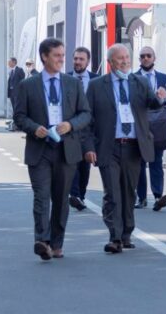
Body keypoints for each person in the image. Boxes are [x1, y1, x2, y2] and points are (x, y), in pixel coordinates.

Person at [13, 38, 93, 261]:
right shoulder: (28, 85)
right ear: (44, 57)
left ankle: (57, 243)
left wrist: (70, 125)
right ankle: (42, 240)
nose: (61, 59)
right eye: (56, 55)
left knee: (60, 198)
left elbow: (85, 113)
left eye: (62, 55)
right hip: (40, 149)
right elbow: (19, 116)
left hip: (66, 150)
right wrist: (33, 128)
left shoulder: (72, 84)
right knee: (41, 196)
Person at [87, 44, 166, 253]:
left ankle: (126, 233)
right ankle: (114, 236)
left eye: (126, 58)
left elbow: (153, 104)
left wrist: (160, 97)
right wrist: (88, 147)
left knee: (129, 192)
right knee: (112, 192)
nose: (124, 61)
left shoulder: (139, 82)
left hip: (133, 146)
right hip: (109, 146)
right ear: (110, 62)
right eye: (119, 58)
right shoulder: (97, 86)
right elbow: (88, 119)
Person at [135, 46, 166, 212]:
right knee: (140, 162)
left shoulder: (164, 78)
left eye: (148, 55)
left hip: (158, 124)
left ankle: (158, 196)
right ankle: (141, 197)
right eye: (142, 56)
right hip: (141, 123)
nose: (145, 58)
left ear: (154, 58)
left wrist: (164, 97)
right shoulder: (133, 78)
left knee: (157, 160)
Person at [66, 46, 99, 211]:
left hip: (89, 129)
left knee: (85, 165)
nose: (77, 62)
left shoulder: (96, 80)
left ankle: (81, 195)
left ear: (88, 61)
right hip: (70, 128)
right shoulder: (64, 78)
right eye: (75, 58)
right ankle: (75, 195)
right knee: (72, 162)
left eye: (81, 59)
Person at [6, 57, 25, 131]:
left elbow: (23, 80)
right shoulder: (11, 71)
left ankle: (18, 125)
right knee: (14, 109)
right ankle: (15, 124)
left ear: (14, 62)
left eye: (9, 62)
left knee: (17, 109)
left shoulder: (19, 70)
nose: (8, 63)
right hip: (12, 93)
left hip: (17, 93)